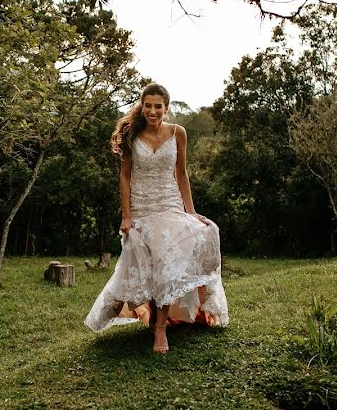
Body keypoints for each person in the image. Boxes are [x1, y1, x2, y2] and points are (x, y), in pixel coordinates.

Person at [84, 83, 229, 353]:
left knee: (205, 232)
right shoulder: (131, 133)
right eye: (148, 105)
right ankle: (134, 311)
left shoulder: (178, 133)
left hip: (170, 203)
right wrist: (126, 216)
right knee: (145, 257)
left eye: (158, 106)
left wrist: (191, 211)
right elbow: (125, 176)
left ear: (166, 108)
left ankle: (161, 328)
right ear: (142, 106)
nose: (153, 111)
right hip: (141, 206)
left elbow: (182, 174)